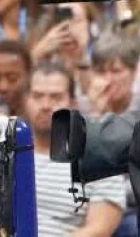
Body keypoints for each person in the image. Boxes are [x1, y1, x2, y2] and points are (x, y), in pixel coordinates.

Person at [25, 62, 128, 236]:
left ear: (73, 104)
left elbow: (100, 229)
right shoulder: (2, 152)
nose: (45, 105)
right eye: (37, 96)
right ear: (26, 100)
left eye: (56, 97)